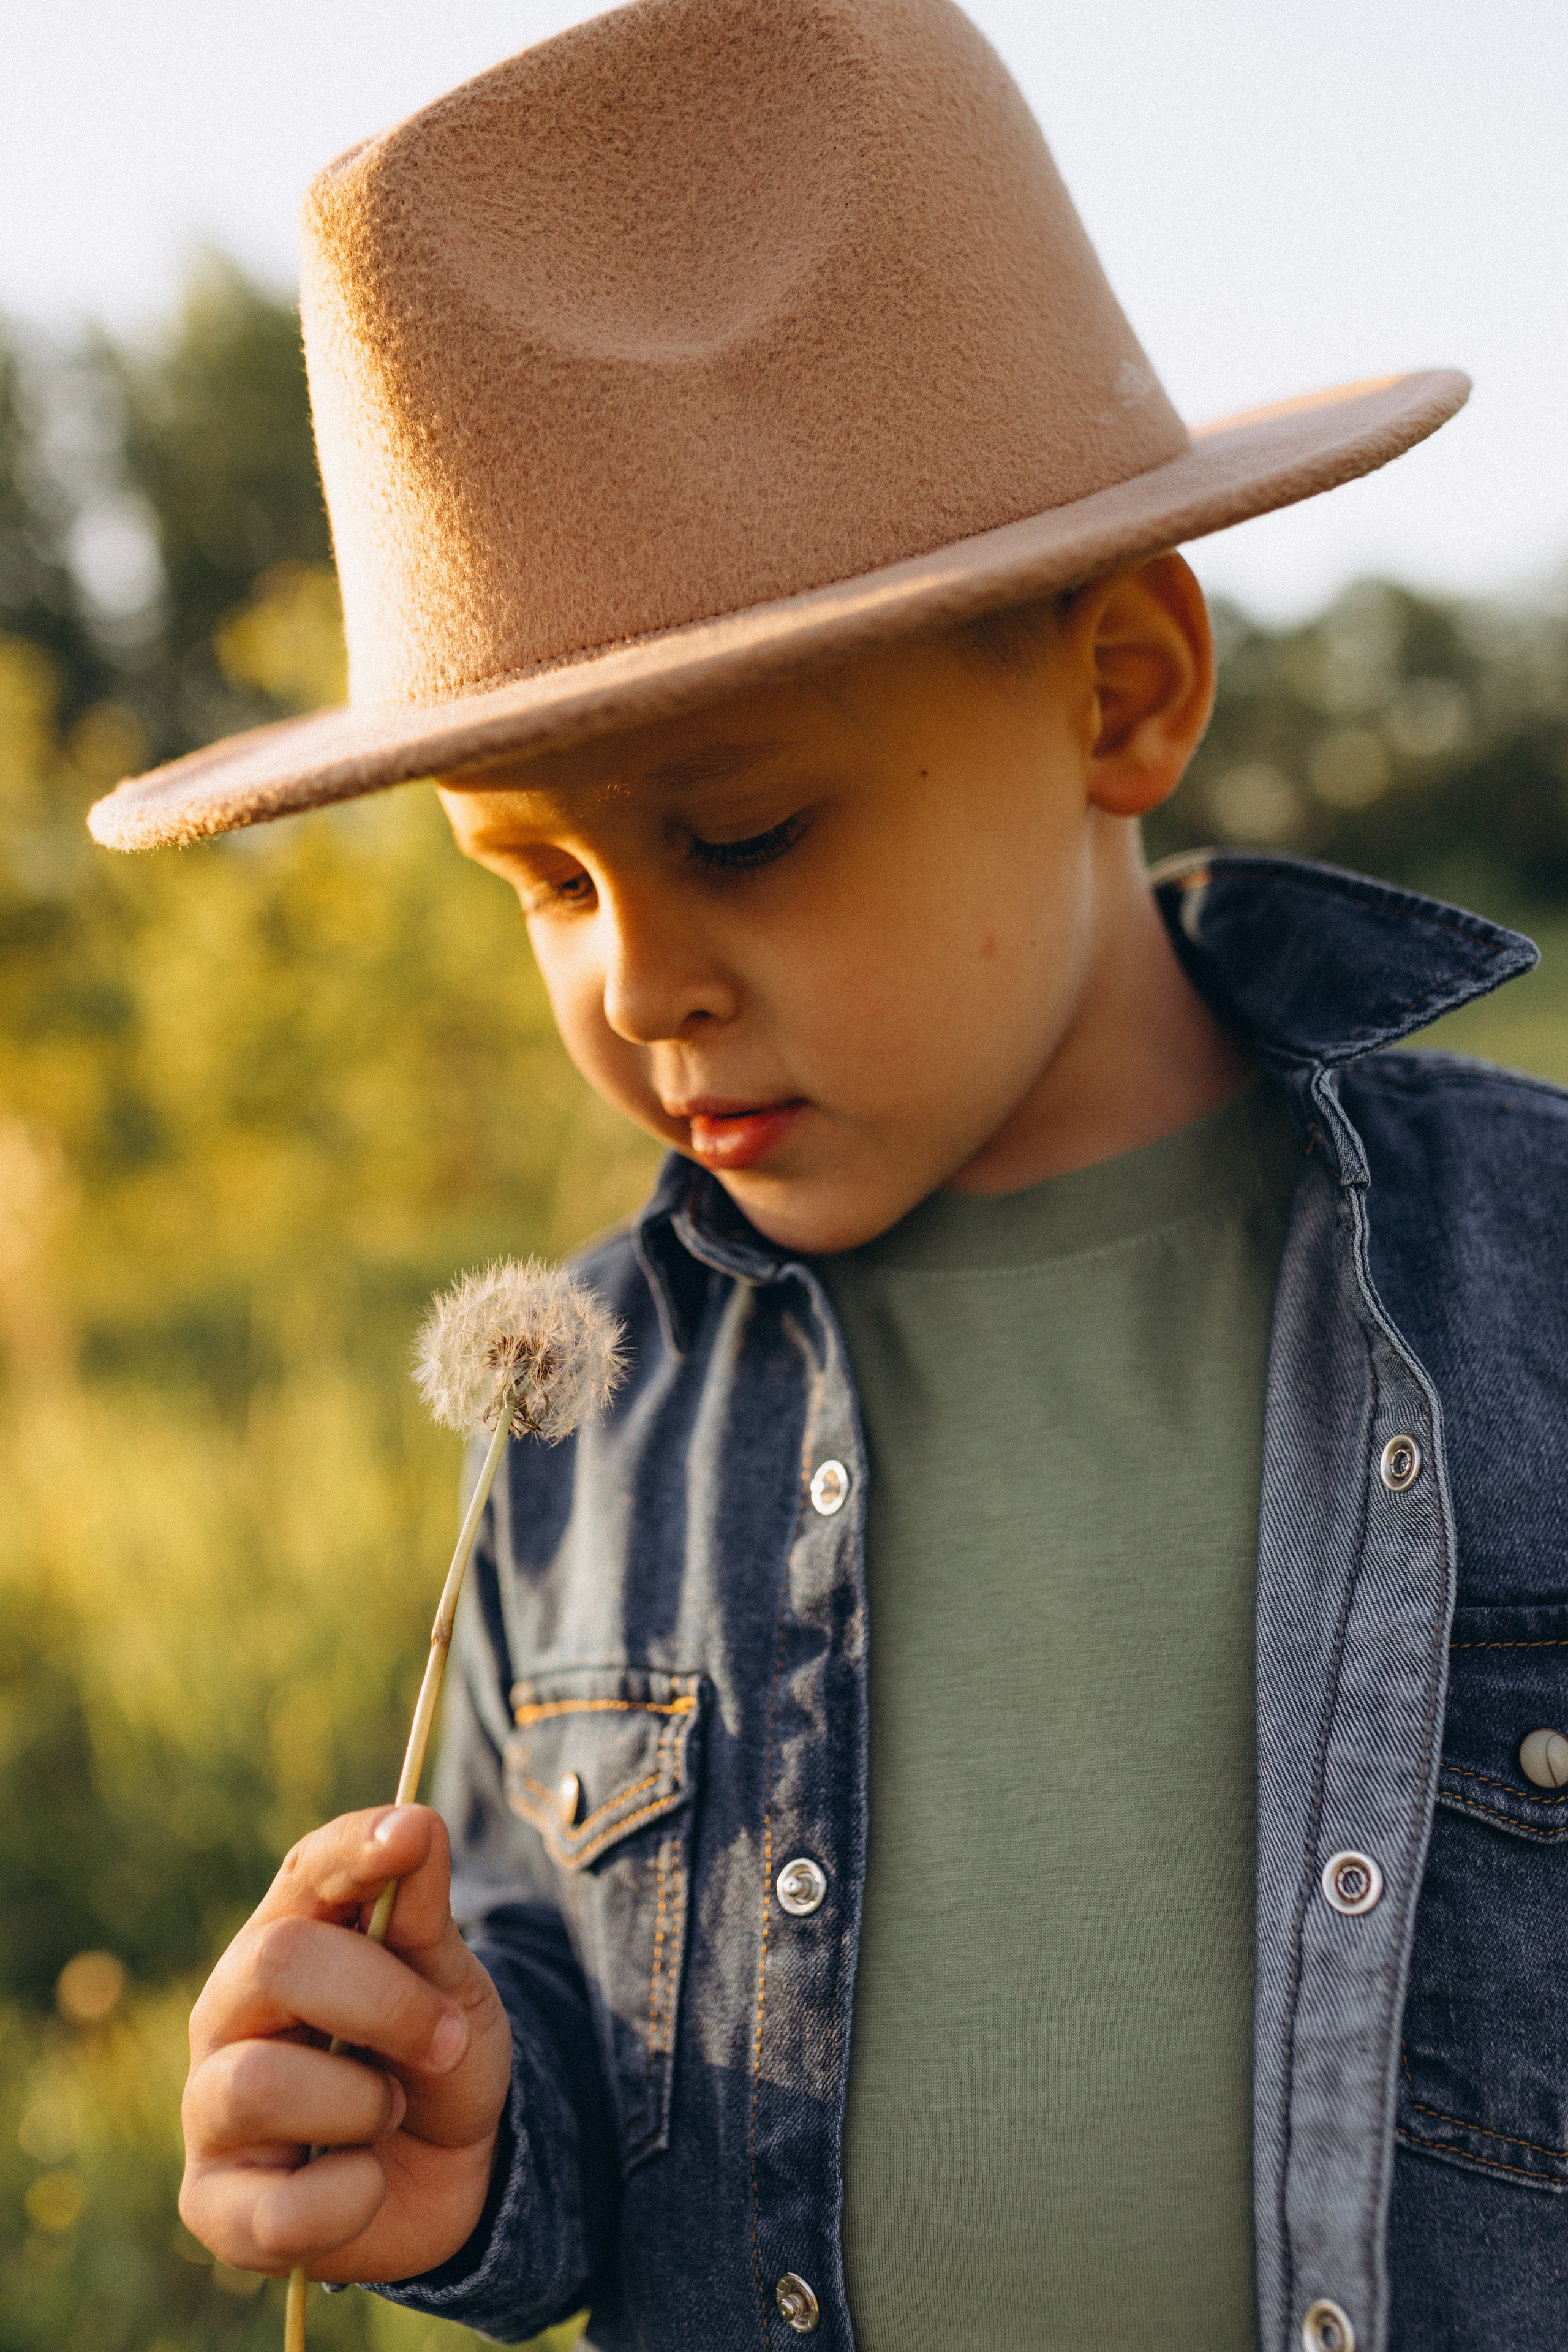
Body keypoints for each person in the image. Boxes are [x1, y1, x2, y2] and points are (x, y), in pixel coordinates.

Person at [88, 5, 1567, 2349]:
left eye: (742, 830)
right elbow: (585, 2104)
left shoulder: (1538, 1287)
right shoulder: (572, 1420)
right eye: (543, 880)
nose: (640, 981)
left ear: (1123, 688)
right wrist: (457, 2148)